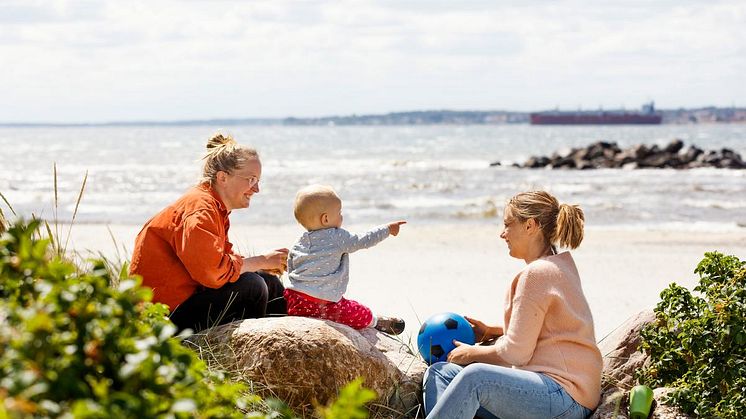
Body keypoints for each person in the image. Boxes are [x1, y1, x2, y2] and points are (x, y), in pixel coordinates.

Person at [422, 191, 602, 419]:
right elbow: (552, 330)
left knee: (475, 378)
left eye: (508, 224)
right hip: (557, 393)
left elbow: (517, 353)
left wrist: (472, 353)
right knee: (440, 373)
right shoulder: (559, 266)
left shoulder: (537, 274)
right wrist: (492, 331)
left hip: (565, 396)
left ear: (530, 226)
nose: (502, 234)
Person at [130, 133, 289, 332]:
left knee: (270, 284)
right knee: (253, 286)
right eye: (251, 179)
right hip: (162, 319)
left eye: (257, 181)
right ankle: (249, 353)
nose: (256, 189)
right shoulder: (201, 209)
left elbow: (215, 264)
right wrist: (261, 260)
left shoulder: (214, 207)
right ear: (222, 177)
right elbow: (212, 273)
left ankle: (286, 347)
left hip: (186, 302)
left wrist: (260, 264)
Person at [284, 184, 407, 334]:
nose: (342, 216)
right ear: (326, 219)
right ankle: (375, 322)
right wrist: (387, 229)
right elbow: (363, 240)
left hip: (296, 303)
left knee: (345, 304)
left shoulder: (299, 243)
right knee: (358, 311)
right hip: (322, 304)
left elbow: (291, 268)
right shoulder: (336, 236)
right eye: (339, 212)